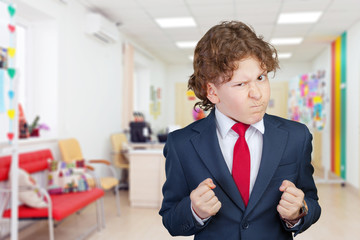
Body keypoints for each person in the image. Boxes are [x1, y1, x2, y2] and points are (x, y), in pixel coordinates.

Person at [159, 21, 321, 240]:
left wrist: (298, 212)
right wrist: (195, 211)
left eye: (261, 78)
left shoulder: (296, 136)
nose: (257, 93)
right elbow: (171, 220)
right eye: (241, 84)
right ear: (213, 92)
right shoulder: (181, 144)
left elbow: (311, 203)